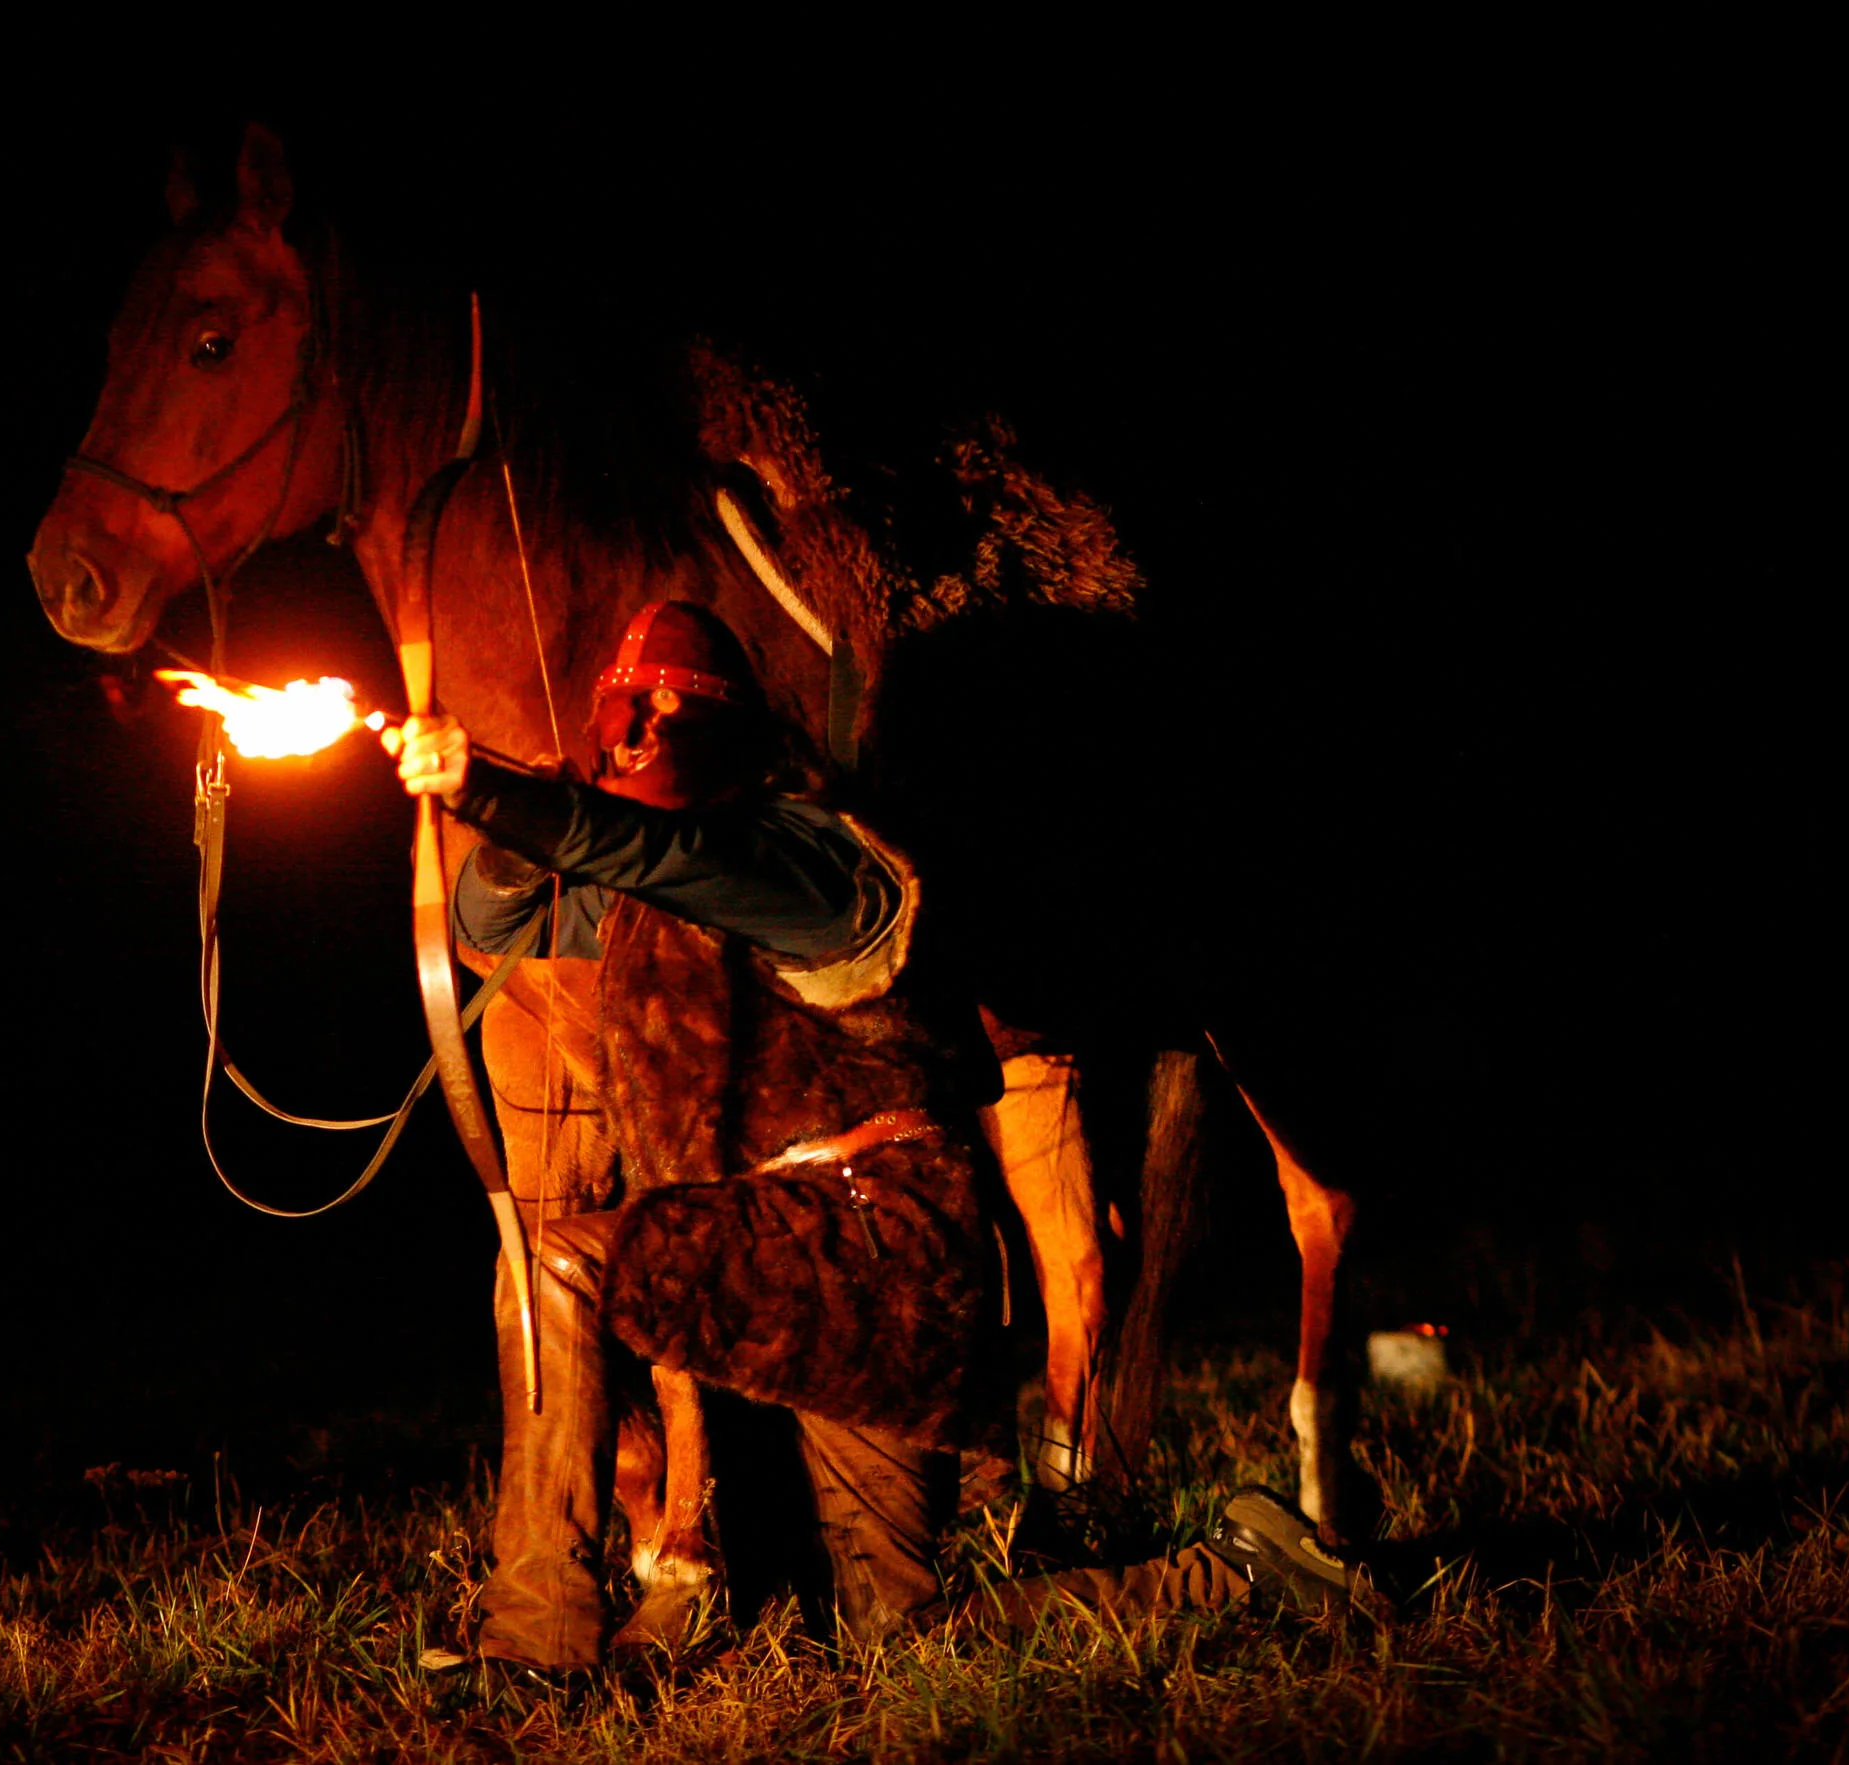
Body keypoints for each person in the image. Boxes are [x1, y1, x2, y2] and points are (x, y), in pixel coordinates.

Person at [389, 602, 1377, 1674]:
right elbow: (493, 924)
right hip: (785, 1265)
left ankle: (536, 1638)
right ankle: (1243, 1570)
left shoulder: (815, 856)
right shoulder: (654, 890)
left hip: (874, 1255)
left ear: (731, 731)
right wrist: (506, 837)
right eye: (625, 712)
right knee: (896, 1630)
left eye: (666, 708)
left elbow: (671, 855)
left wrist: (495, 793)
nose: (637, 732)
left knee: (555, 1264)